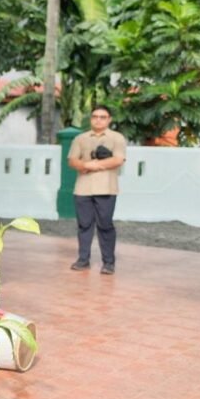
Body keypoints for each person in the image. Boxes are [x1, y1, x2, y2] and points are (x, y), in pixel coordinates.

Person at [67, 104, 127, 274]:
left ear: (109, 120)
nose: (98, 120)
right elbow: (72, 161)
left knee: (105, 225)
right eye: (95, 116)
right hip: (82, 189)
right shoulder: (81, 138)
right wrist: (85, 164)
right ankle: (83, 259)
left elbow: (118, 160)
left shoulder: (117, 138)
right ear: (91, 119)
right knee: (84, 225)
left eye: (102, 117)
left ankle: (108, 263)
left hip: (106, 188)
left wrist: (93, 165)